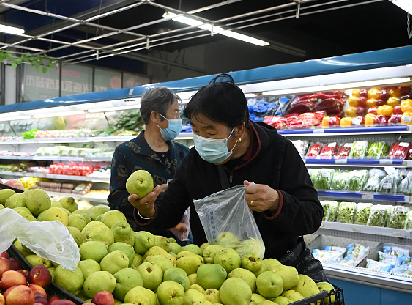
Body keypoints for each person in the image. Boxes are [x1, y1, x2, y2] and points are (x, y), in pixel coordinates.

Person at [127, 74, 327, 281]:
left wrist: (276, 202)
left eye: (210, 133)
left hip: (277, 274)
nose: (202, 140)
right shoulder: (195, 161)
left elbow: (311, 217)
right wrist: (147, 211)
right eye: (196, 132)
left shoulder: (280, 152)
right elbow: (170, 208)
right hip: (216, 276)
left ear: (239, 129)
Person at [108, 86, 190, 242]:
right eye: (175, 112)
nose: (179, 119)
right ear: (155, 116)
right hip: (141, 243)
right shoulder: (126, 152)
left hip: (180, 244)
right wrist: (150, 202)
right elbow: (116, 201)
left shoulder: (183, 153)